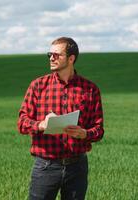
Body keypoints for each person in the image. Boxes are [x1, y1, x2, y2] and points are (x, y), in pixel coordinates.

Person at [17, 37, 104, 200]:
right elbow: (22, 123)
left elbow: (99, 130)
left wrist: (84, 133)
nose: (51, 58)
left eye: (57, 55)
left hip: (77, 166)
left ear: (71, 59)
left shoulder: (90, 89)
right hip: (45, 166)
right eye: (49, 54)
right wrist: (41, 125)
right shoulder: (38, 86)